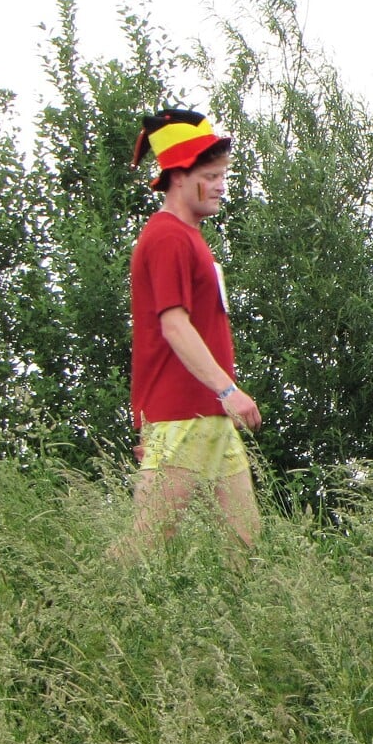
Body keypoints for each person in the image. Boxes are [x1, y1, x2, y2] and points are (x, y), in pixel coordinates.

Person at [112, 108, 263, 558]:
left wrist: (221, 400)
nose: (221, 185)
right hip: (183, 416)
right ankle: (62, 621)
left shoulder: (191, 238)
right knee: (144, 547)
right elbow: (173, 326)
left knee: (246, 548)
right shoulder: (168, 237)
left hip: (209, 416)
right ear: (178, 176)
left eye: (223, 175)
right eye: (211, 175)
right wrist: (227, 391)